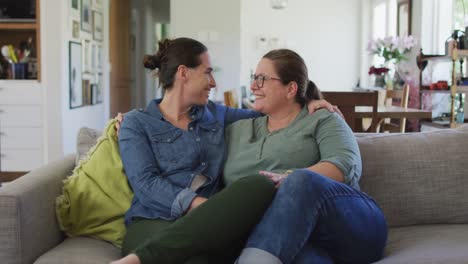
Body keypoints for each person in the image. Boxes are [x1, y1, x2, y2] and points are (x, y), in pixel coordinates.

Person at [112, 38, 341, 264]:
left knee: (258, 184)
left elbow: (274, 109)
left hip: (213, 222)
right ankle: (141, 257)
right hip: (155, 218)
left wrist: (310, 100)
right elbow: (145, 183)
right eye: (207, 72)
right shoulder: (136, 122)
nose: (213, 83)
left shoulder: (218, 115)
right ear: (183, 73)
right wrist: (196, 204)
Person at [224, 49, 387, 264]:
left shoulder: (322, 118)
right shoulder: (237, 128)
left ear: (291, 88)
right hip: (287, 237)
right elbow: (187, 112)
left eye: (262, 79)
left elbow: (345, 164)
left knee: (301, 180)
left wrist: (286, 181)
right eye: (254, 78)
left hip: (349, 226)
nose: (254, 86)